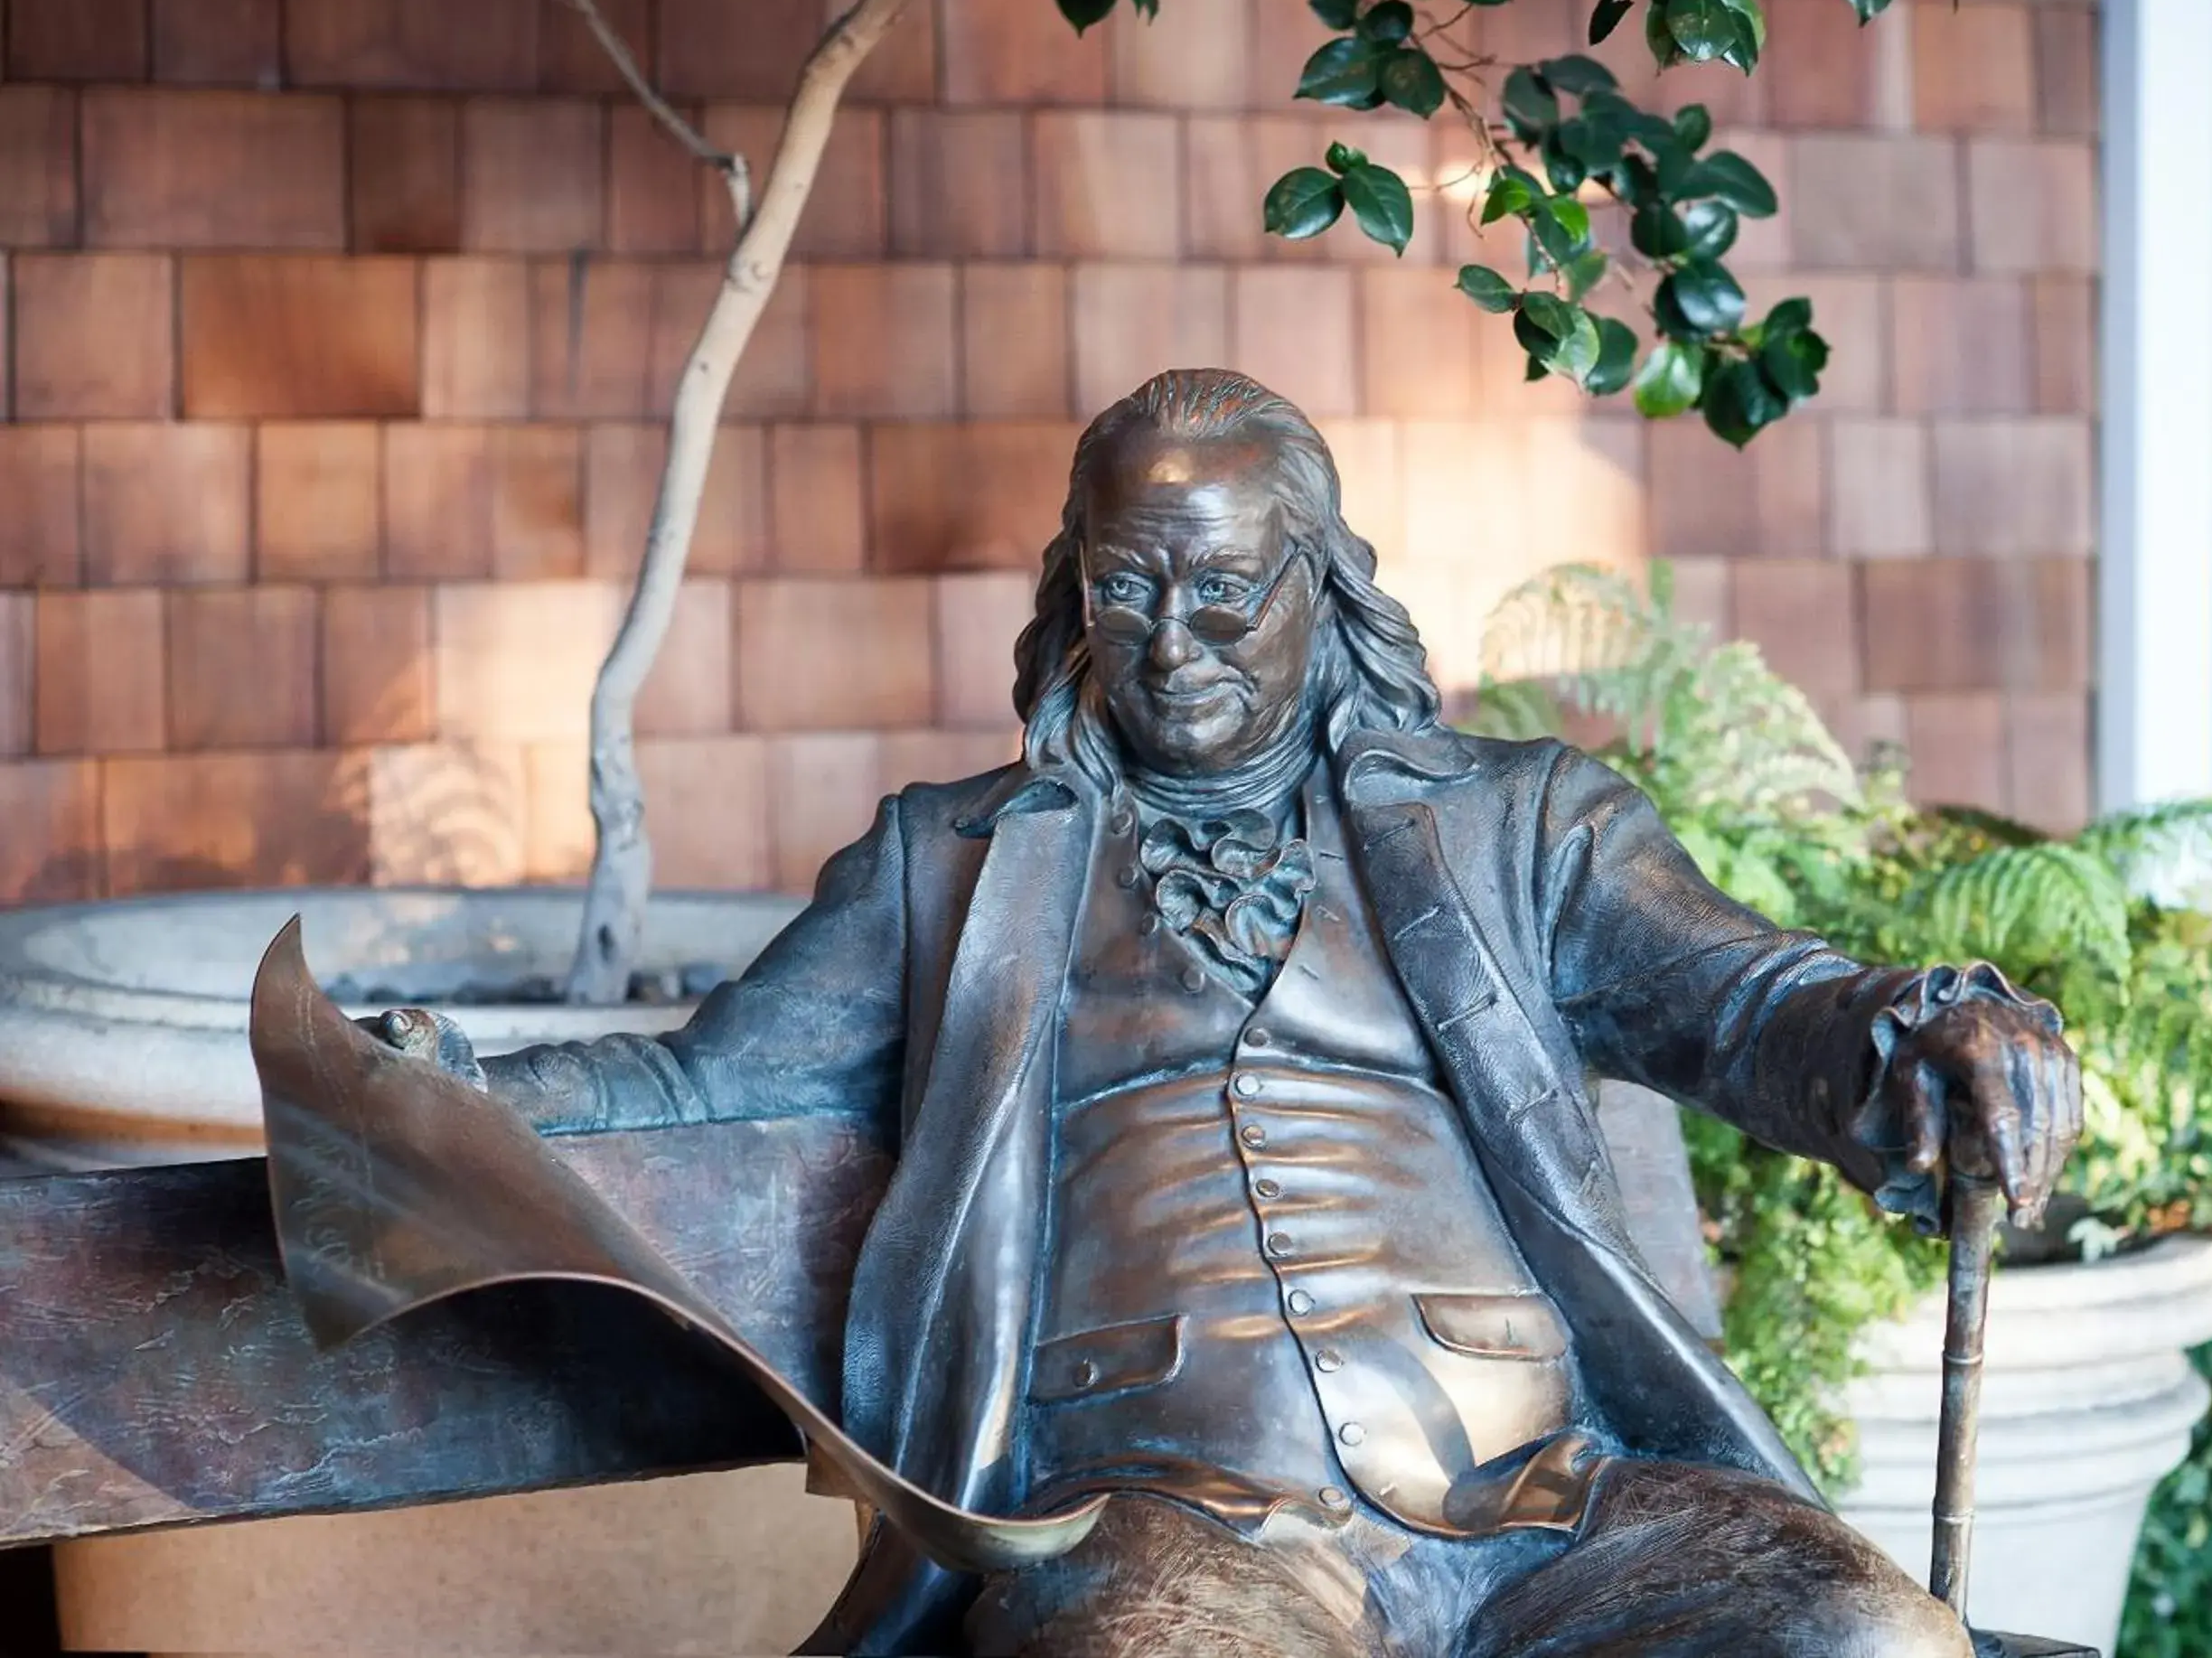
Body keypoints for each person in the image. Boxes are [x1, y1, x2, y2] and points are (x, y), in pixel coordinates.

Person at [373, 370, 2081, 1657]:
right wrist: (459, 1088)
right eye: (1125, 589)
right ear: (1074, 591)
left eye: (1222, 590)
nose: (1170, 642)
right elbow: (698, 1089)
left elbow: (1753, 1003)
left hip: (1545, 1505)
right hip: (1166, 1524)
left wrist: (1929, 1029)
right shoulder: (950, 866)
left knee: (1866, 1636)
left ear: (1320, 587)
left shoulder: (1515, 823)